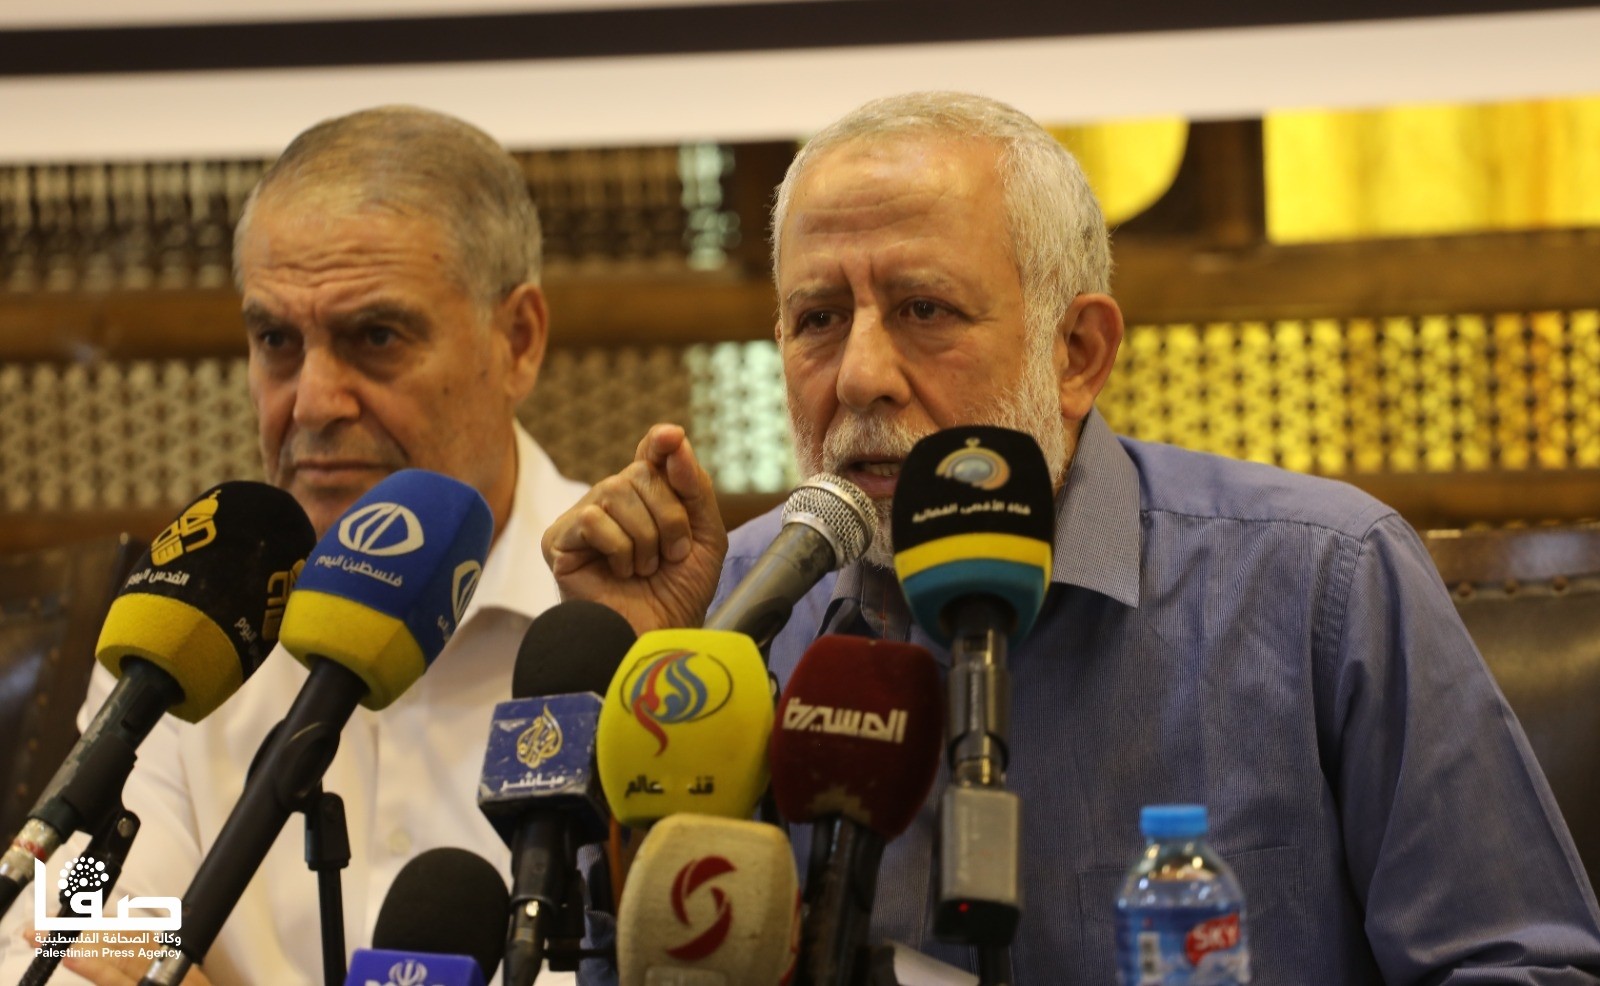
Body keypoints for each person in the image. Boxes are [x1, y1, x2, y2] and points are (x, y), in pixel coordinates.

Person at [542, 91, 1600, 982]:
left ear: (1078, 352)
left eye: (922, 310)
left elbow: (1517, 966)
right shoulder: (728, 617)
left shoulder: (1322, 580)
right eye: (817, 319)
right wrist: (653, 684)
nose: (859, 375)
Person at [0, 106, 591, 985]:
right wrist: (122, 943)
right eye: (277, 340)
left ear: (519, 341)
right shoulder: (197, 622)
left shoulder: (630, 614)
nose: (312, 402)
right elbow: (58, 924)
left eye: (376, 337)